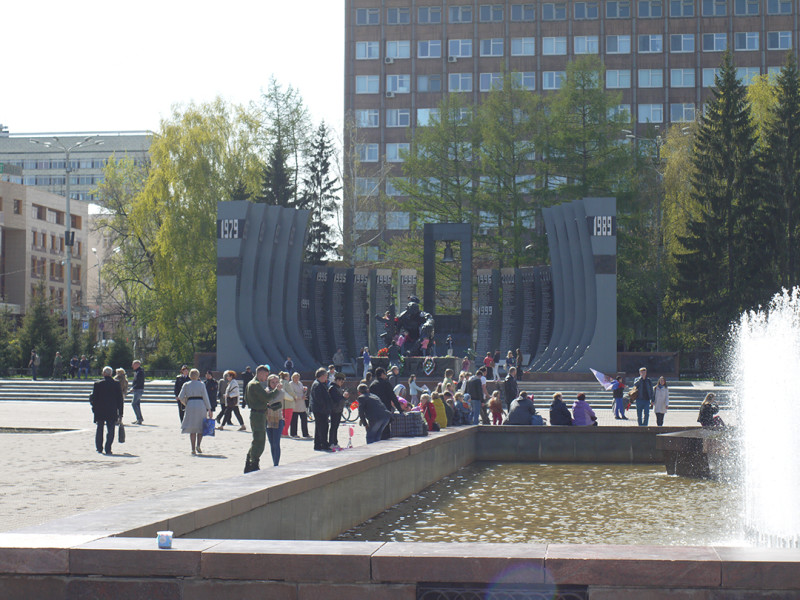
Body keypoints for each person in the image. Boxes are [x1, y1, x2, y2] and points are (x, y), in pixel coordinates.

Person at [244, 366, 282, 472]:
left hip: (257, 413)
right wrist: (276, 390)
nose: (266, 378)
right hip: (258, 415)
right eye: (265, 375)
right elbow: (266, 397)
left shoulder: (250, 384)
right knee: (259, 440)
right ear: (260, 373)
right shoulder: (255, 385)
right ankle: (253, 463)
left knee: (257, 439)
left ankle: (250, 461)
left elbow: (249, 399)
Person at [178, 368, 213, 455]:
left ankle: (193, 448)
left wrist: (186, 403)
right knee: (200, 427)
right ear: (198, 375)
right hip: (200, 404)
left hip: (190, 404)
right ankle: (198, 445)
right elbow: (205, 397)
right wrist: (209, 409)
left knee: (192, 428)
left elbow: (180, 397)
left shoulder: (186, 384)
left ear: (190, 375)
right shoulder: (201, 385)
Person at [90, 366, 124, 455]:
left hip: (100, 410)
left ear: (104, 373)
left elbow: (94, 398)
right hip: (112, 410)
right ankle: (108, 448)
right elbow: (120, 399)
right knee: (111, 430)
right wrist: (120, 413)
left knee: (100, 429)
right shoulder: (116, 384)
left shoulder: (98, 384)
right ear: (111, 374)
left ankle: (99, 448)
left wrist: (94, 409)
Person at [369, 367, 404, 439]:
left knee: (376, 431)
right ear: (382, 374)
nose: (386, 376)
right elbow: (393, 397)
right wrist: (400, 410)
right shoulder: (386, 384)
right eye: (385, 374)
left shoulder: (372, 385)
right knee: (385, 431)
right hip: (385, 410)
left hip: (375, 411)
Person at [309, 367, 333, 451]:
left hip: (320, 409)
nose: (326, 377)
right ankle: (323, 444)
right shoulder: (317, 385)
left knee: (319, 427)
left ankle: (318, 444)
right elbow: (319, 399)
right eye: (326, 375)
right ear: (321, 376)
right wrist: (326, 406)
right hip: (320, 410)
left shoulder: (320, 384)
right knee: (323, 427)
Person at [264, 374, 285, 466]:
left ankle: (276, 463)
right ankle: (274, 461)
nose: (275, 384)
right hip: (268, 419)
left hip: (278, 419)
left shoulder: (281, 391)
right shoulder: (266, 391)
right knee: (271, 443)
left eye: (277, 382)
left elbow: (273, 401)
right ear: (269, 383)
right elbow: (265, 400)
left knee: (276, 443)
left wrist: (268, 402)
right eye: (273, 382)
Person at [328, 373, 349, 450]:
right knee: (333, 427)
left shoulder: (338, 388)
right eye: (341, 381)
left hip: (339, 409)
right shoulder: (332, 388)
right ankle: (331, 442)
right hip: (334, 409)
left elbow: (341, 399)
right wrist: (343, 397)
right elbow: (336, 399)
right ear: (337, 380)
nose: (342, 383)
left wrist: (344, 397)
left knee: (336, 426)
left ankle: (335, 442)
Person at [288, 372, 310, 438]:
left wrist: (304, 389)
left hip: (302, 404)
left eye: (297, 377)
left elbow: (301, 391)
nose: (296, 379)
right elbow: (292, 394)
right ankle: (293, 433)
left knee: (304, 419)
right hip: (295, 404)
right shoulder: (291, 384)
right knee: (294, 420)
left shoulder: (300, 383)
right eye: (295, 377)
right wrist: (300, 397)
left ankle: (305, 433)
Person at [130, 360, 145, 425]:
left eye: (133, 364)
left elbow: (139, 382)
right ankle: (139, 418)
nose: (132, 366)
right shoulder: (137, 372)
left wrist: (133, 388)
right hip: (137, 389)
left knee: (134, 404)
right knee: (137, 404)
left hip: (138, 390)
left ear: (137, 365)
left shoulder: (140, 372)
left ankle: (139, 419)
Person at [280, 371, 294, 436]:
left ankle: (281, 432)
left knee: (282, 418)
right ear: (286, 377)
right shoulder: (286, 383)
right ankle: (285, 432)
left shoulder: (280, 382)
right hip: (288, 403)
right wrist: (295, 396)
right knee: (287, 419)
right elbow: (290, 392)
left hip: (281, 404)